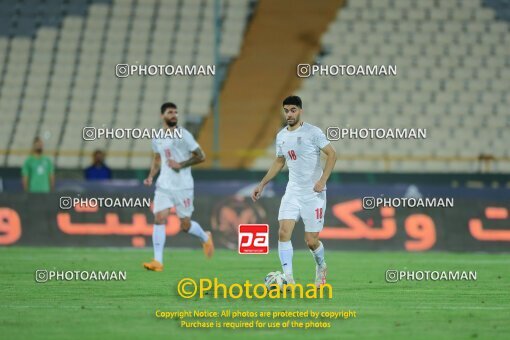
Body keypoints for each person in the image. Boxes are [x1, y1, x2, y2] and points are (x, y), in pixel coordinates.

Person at [251, 96, 337, 287]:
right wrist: (262, 184)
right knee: (283, 232)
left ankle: (321, 266)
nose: (289, 114)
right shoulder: (281, 136)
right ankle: (288, 278)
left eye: (293, 110)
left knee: (311, 240)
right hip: (293, 191)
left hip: (313, 193)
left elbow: (332, 154)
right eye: (286, 110)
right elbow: (279, 161)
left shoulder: (313, 132)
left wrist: (323, 180)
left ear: (300, 111)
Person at [143, 102, 214, 272]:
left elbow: (201, 156)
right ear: (163, 116)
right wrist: (151, 176)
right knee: (159, 217)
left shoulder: (184, 135)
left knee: (185, 226)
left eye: (176, 112)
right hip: (164, 186)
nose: (174, 115)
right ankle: (157, 261)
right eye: (170, 112)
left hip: (183, 187)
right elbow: (157, 159)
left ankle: (205, 237)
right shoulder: (157, 137)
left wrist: (181, 164)